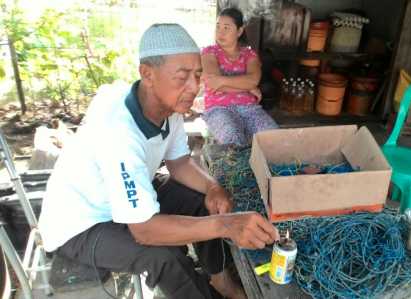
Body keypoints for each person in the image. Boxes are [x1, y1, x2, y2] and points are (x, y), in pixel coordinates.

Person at [38, 23, 279, 299]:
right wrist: (226, 224)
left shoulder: (167, 105)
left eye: (198, 75)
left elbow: (179, 163)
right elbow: (144, 231)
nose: (194, 87)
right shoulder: (118, 132)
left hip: (122, 202)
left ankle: (220, 280)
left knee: (201, 201)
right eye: (183, 76)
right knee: (162, 256)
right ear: (147, 74)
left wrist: (213, 187)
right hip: (83, 224)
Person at [201, 7, 278, 147]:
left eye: (226, 28)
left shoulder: (250, 55)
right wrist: (247, 88)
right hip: (218, 108)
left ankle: (267, 169)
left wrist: (222, 81)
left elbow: (253, 80)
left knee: (273, 137)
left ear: (239, 31)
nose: (220, 32)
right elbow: (212, 82)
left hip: (249, 108)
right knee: (233, 140)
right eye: (218, 27)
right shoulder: (209, 52)